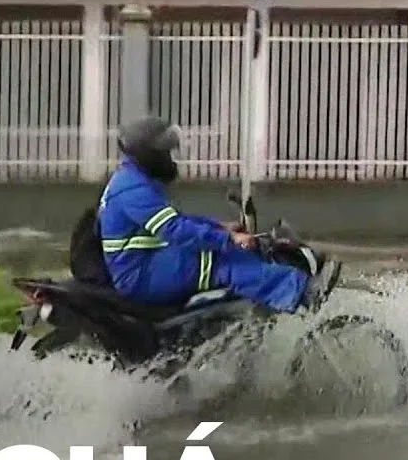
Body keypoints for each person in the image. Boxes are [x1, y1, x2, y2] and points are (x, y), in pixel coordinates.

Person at [97, 116, 339, 313]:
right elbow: (174, 229)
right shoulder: (132, 188)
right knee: (217, 262)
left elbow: (176, 221)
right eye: (166, 152)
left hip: (149, 262)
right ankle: (304, 292)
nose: (170, 159)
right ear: (149, 154)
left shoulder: (135, 181)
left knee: (228, 251)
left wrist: (221, 228)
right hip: (139, 275)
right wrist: (228, 239)